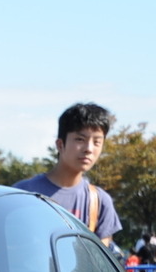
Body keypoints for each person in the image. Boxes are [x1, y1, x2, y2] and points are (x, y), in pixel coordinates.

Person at [14, 102, 123, 244]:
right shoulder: (22, 194)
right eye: (80, 139)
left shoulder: (99, 202)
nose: (89, 149)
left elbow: (98, 261)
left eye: (97, 142)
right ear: (60, 144)